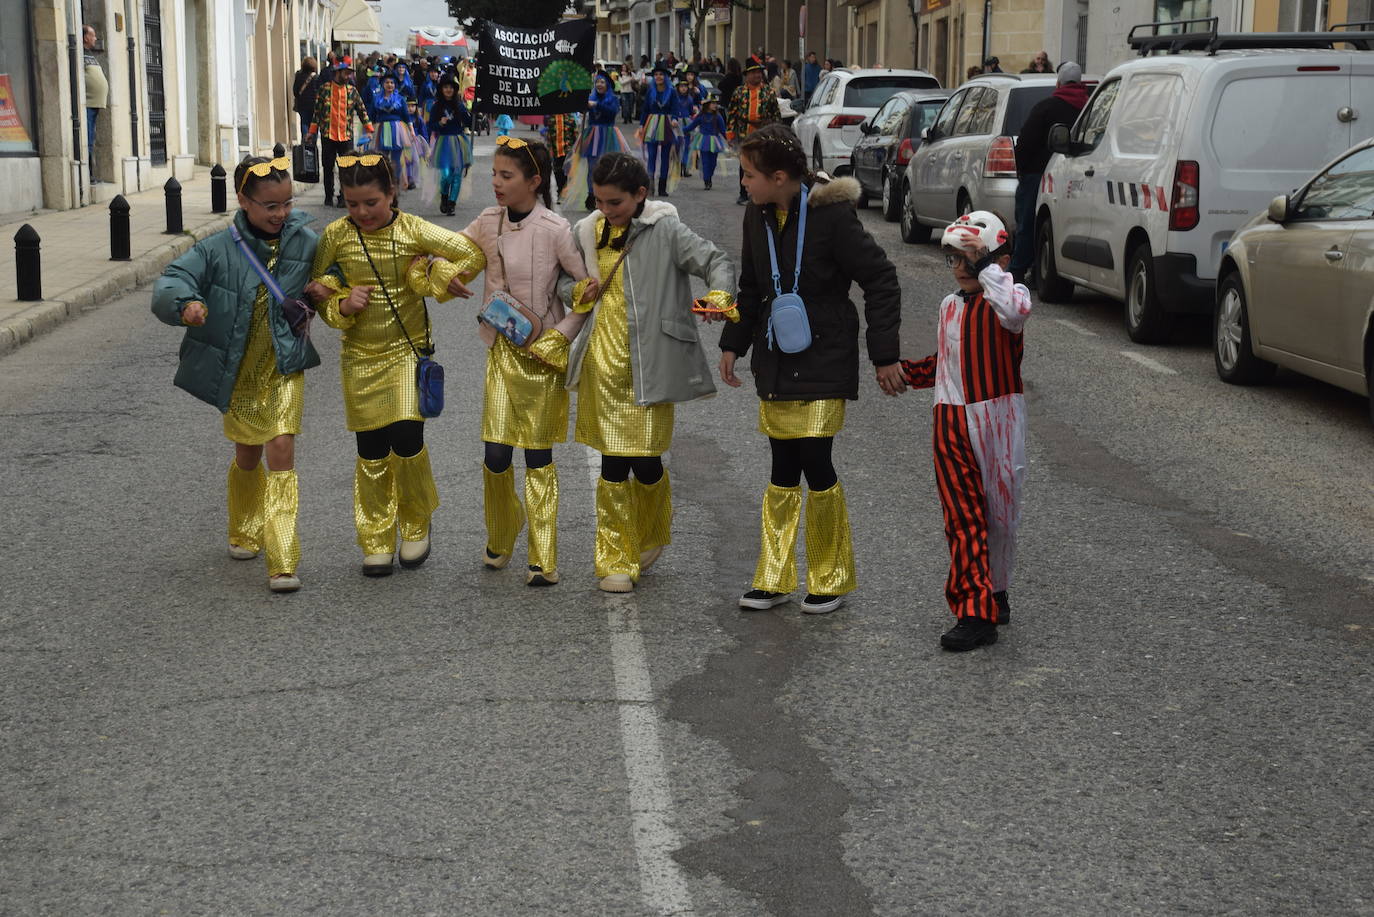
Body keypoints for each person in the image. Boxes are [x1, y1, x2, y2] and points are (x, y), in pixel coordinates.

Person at [719, 124, 903, 616]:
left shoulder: (832, 216)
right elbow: (753, 287)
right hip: (776, 357)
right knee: (782, 468)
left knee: (815, 463)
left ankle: (829, 576)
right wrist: (733, 343)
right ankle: (774, 576)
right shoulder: (757, 215)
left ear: (780, 177)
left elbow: (881, 279)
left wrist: (884, 354)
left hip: (825, 353)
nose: (744, 184)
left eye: (749, 175)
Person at [414, 137, 595, 586]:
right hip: (501, 353)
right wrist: (443, 274)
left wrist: (559, 338)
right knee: (496, 455)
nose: (495, 183)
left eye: (506, 175)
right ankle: (501, 531)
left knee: (538, 457)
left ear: (534, 181)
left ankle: (543, 555)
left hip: (541, 358)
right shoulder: (489, 220)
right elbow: (449, 250)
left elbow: (585, 291)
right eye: (494, 173)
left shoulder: (556, 229)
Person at [558, 152, 736, 593]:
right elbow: (562, 282)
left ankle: (653, 530)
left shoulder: (667, 231)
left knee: (646, 460)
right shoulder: (587, 232)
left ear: (641, 195)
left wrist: (718, 295)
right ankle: (616, 556)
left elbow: (717, 260)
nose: (604, 210)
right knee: (613, 463)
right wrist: (577, 289)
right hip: (603, 363)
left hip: (650, 365)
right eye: (597, 201)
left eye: (614, 202)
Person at [307, 153, 485, 577]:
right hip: (359, 357)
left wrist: (433, 272)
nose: (362, 212)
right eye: (352, 204)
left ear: (392, 193)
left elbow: (471, 255)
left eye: (371, 202)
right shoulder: (335, 235)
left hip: (407, 354)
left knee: (406, 441)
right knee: (370, 452)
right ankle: (375, 537)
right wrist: (341, 305)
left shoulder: (413, 230)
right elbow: (317, 289)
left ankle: (416, 524)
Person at [151, 156, 322, 593]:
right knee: (248, 453)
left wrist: (331, 287)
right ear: (244, 200)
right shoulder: (216, 248)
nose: (280, 214)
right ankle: (245, 527)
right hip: (241, 372)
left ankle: (283, 557)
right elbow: (173, 278)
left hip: (285, 365)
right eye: (269, 206)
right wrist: (185, 304)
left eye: (286, 203)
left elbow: (337, 267)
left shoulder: (304, 239)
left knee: (281, 447)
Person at [897, 211, 1030, 651]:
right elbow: (946, 363)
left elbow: (1012, 310)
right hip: (951, 418)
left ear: (997, 260)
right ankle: (974, 612)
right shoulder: (949, 306)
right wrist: (906, 373)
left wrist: (987, 263)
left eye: (967, 258)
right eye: (952, 258)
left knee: (1000, 514)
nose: (958, 267)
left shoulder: (1009, 298)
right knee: (963, 517)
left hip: (999, 418)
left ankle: (995, 589)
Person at [1010, 61, 1088, 284]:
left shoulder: (1046, 107)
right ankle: (1040, 271)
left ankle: (1017, 273)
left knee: (1028, 224)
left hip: (1037, 175)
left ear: (1059, 82)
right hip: (1075, 178)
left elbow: (1025, 143)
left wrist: (1022, 170)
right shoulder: (1088, 107)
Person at [308, 61, 374, 208]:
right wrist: (311, 132)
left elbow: (362, 110)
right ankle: (328, 196)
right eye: (346, 72)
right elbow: (317, 113)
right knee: (328, 166)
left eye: (350, 73)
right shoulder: (324, 89)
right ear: (337, 72)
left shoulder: (352, 91)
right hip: (328, 135)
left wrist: (369, 129)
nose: (348, 75)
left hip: (346, 136)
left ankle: (344, 196)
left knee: (347, 168)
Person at [726, 56, 782, 205]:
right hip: (745, 132)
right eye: (754, 72)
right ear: (747, 75)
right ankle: (743, 193)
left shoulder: (768, 92)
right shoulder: (739, 92)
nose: (757, 75)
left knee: (762, 162)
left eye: (759, 72)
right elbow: (731, 114)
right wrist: (730, 133)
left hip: (763, 132)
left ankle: (761, 192)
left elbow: (776, 114)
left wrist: (777, 132)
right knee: (745, 163)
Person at [569, 71, 626, 210]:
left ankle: (607, 194)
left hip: (608, 135)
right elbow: (583, 112)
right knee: (592, 166)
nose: (599, 85)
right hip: (592, 134)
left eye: (602, 82)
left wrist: (596, 105)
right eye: (597, 82)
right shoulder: (591, 97)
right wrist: (583, 106)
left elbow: (612, 112)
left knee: (609, 166)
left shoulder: (613, 98)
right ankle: (591, 195)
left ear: (607, 84)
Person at [428, 76, 472, 215]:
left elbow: (469, 122)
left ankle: (452, 203)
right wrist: (439, 123)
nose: (448, 90)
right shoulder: (437, 106)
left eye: (451, 88)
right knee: (446, 175)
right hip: (444, 142)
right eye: (446, 87)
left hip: (459, 141)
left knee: (457, 174)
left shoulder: (459, 105)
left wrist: (474, 112)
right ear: (441, 89)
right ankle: (444, 197)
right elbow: (431, 125)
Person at [639, 66, 678, 196]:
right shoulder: (650, 91)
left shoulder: (672, 91)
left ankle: (662, 187)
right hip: (652, 123)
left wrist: (674, 118)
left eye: (661, 74)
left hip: (666, 123)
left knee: (665, 156)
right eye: (656, 75)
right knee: (652, 154)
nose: (658, 77)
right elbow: (645, 109)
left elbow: (675, 108)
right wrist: (641, 125)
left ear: (665, 77)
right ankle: (650, 186)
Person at [683, 91, 727, 191]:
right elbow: (692, 126)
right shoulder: (701, 116)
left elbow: (723, 130)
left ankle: (709, 176)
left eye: (716, 103)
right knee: (705, 162)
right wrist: (682, 130)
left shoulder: (718, 116)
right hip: (703, 140)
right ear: (707, 105)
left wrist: (729, 139)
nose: (715, 105)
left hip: (715, 141)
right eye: (713, 103)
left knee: (713, 162)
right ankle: (707, 180)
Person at [82, 25, 107, 182]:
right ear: (85, 37)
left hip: (94, 105)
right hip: (88, 104)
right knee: (88, 140)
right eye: (93, 35)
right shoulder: (79, 53)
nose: (95, 38)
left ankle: (90, 174)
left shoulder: (90, 54)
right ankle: (89, 175)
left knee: (91, 139)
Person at [541, 111, 580, 199]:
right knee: (557, 169)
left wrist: (576, 148)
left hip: (568, 149)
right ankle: (560, 188)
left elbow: (575, 134)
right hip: (556, 149)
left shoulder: (570, 118)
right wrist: (549, 147)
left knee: (566, 169)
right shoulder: (551, 118)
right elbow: (548, 133)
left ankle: (564, 188)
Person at [672, 74, 699, 179]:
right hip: (677, 122)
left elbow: (692, 111)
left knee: (687, 145)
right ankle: (678, 167)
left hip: (687, 122)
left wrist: (694, 113)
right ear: (678, 88)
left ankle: (685, 167)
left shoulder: (690, 99)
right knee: (678, 145)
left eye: (685, 86)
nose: (683, 88)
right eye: (681, 86)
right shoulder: (675, 98)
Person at [292, 57, 318, 140]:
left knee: (304, 123)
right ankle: (312, 143)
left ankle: (305, 141)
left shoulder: (298, 76)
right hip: (313, 105)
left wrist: (299, 97)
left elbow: (295, 90)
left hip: (302, 104)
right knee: (313, 124)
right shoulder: (316, 77)